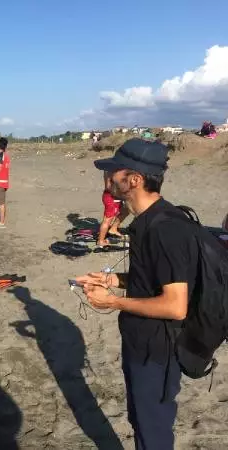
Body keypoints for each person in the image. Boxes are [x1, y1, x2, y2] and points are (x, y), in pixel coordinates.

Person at [76, 138, 199, 450]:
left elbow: (175, 306)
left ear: (134, 180)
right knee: (142, 423)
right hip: (140, 343)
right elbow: (154, 280)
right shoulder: (145, 222)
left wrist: (113, 301)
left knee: (153, 432)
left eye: (113, 172)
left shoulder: (165, 227)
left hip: (157, 351)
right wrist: (112, 279)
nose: (106, 177)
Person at [97, 171, 129, 247]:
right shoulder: (110, 169)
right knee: (107, 219)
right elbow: (108, 187)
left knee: (127, 210)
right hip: (111, 197)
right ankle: (100, 241)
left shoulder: (118, 168)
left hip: (118, 196)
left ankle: (113, 228)